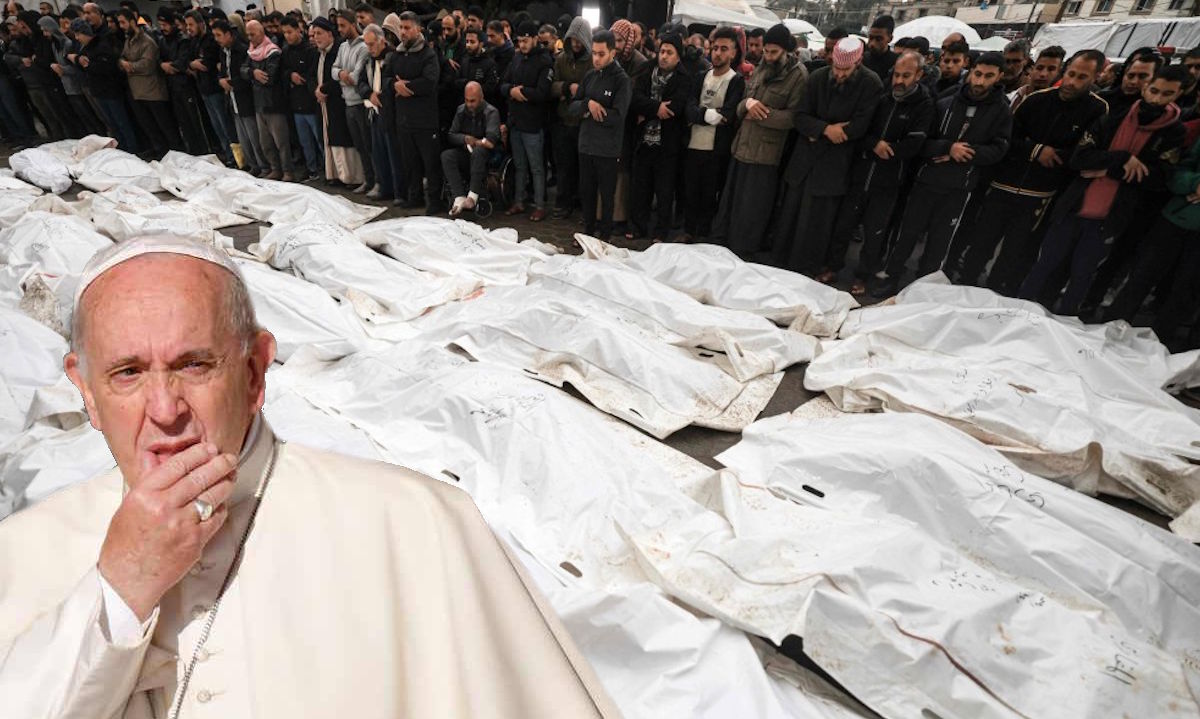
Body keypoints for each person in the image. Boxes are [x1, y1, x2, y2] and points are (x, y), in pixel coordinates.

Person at [0, 236, 619, 718]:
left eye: (194, 365)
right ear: (83, 389)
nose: (165, 411)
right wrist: (122, 587)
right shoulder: (23, 551)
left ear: (254, 372)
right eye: (128, 373)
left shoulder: (417, 525)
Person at [1019, 65, 1186, 315]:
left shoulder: (1173, 133)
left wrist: (1108, 169)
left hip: (1111, 216)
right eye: (1154, 91)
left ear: (1178, 94)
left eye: (1167, 94)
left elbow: (1159, 179)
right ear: (1146, 87)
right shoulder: (1114, 115)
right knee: (1045, 264)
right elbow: (1080, 158)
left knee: (1082, 274)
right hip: (1076, 205)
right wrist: (1122, 159)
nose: (1157, 98)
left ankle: (1066, 320)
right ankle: (1019, 307)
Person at [954, 50, 1107, 294]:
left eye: (1081, 77)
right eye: (1071, 74)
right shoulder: (1037, 100)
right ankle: (964, 287)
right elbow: (1008, 138)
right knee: (982, 241)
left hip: (1040, 193)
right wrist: (1036, 150)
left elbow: (1084, 153)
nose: (1072, 82)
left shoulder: (1097, 109)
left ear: (1095, 77)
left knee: (1014, 251)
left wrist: (1059, 157)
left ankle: (996, 294)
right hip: (1004, 183)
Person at [870, 51, 1012, 296]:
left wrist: (967, 153)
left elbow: (999, 149)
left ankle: (924, 287)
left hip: (959, 186)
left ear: (999, 76)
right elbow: (922, 140)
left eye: (988, 76)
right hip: (927, 179)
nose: (980, 82)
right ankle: (890, 277)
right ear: (971, 70)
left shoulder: (1001, 110)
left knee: (939, 240)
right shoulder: (946, 101)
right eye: (978, 74)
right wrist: (948, 148)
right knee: (908, 232)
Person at [771, 36, 880, 279]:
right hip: (804, 162)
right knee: (791, 217)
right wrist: (826, 130)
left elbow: (860, 126)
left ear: (858, 62)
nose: (840, 74)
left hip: (834, 166)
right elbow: (800, 117)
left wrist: (818, 131)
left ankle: (808, 269)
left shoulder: (870, 84)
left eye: (846, 70)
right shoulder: (818, 77)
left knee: (818, 223)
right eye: (836, 68)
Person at [832, 50, 933, 296]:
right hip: (861, 173)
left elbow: (915, 144)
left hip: (889, 181)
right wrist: (874, 144)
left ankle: (863, 276)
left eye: (906, 75)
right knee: (843, 225)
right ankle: (833, 267)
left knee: (875, 233)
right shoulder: (882, 98)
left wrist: (891, 149)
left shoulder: (924, 105)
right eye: (896, 75)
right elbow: (861, 130)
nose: (899, 80)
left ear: (918, 75)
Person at [710, 23, 806, 258]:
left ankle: (743, 252)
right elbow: (745, 101)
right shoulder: (762, 67)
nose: (768, 56)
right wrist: (748, 105)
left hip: (766, 154)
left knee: (752, 208)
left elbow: (794, 118)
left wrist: (762, 114)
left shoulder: (798, 76)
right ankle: (722, 246)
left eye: (774, 52)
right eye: (766, 51)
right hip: (742, 146)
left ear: (786, 51)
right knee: (731, 203)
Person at [1101, 134, 1200, 345]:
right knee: (1143, 275)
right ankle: (1108, 330)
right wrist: (1195, 183)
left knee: (1186, 290)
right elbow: (1178, 172)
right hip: (1176, 217)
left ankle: (1161, 345)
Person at [682, 26, 744, 242]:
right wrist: (708, 115)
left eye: (724, 49)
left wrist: (700, 115)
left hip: (716, 150)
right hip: (693, 145)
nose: (718, 53)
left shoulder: (736, 81)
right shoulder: (701, 76)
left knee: (709, 195)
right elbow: (688, 108)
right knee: (690, 192)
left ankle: (704, 236)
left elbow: (727, 115)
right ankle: (688, 231)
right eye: (715, 48)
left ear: (733, 53)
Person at [570, 27, 631, 240]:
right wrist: (589, 104)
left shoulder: (621, 80)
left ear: (613, 52)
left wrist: (595, 113)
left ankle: (604, 237)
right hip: (586, 145)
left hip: (607, 149)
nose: (596, 58)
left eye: (601, 54)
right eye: (594, 53)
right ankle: (587, 234)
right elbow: (573, 107)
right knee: (586, 193)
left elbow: (618, 115)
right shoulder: (589, 76)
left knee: (606, 196)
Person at [628, 33, 689, 241]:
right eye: (662, 51)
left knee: (664, 191)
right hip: (644, 140)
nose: (664, 56)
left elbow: (676, 107)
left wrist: (649, 109)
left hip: (667, 143)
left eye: (669, 53)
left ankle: (661, 232)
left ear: (678, 57)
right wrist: (656, 107)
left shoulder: (683, 78)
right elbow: (635, 99)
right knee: (641, 188)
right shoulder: (646, 71)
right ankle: (638, 227)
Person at [389, 10, 442, 211]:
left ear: (418, 28)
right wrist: (395, 86)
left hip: (425, 119)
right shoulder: (397, 54)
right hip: (404, 119)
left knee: (430, 163)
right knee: (410, 163)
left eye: (407, 28)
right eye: (401, 28)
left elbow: (429, 82)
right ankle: (415, 197)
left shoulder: (428, 54)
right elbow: (387, 77)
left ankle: (434, 201)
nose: (403, 32)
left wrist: (406, 87)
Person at [500, 20, 553, 221]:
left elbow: (542, 93)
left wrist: (520, 91)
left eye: (525, 40)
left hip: (533, 123)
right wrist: (512, 91)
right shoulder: (516, 59)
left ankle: (539, 205)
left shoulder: (544, 61)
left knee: (537, 167)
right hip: (516, 122)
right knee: (520, 165)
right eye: (519, 41)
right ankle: (519, 201)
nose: (522, 45)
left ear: (535, 39)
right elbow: (502, 84)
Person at [117, 8, 178, 158]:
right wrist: (124, 64)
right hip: (137, 92)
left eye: (123, 22)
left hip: (153, 92)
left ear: (133, 21)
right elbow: (121, 59)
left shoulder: (147, 41)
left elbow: (147, 65)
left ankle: (176, 153)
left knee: (165, 127)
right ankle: (160, 153)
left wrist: (130, 66)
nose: (121, 26)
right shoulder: (128, 41)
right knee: (149, 127)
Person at [71, 17, 139, 151]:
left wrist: (87, 65)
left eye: (78, 34)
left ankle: (132, 148)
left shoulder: (101, 44)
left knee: (122, 122)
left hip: (111, 90)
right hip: (98, 91)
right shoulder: (85, 48)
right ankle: (121, 147)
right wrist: (79, 60)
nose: (77, 38)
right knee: (112, 123)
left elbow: (107, 67)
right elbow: (81, 63)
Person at [312, 16, 363, 187]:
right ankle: (336, 174)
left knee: (344, 139)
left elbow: (341, 75)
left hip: (339, 101)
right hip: (325, 103)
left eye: (319, 33)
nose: (316, 37)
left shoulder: (336, 51)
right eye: (314, 34)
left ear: (329, 34)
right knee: (331, 138)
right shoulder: (320, 54)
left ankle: (351, 177)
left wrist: (324, 89)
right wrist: (317, 89)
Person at [549, 16, 591, 219]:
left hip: (584, 122)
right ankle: (562, 202)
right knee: (564, 166)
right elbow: (552, 86)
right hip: (564, 120)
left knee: (583, 168)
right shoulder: (561, 59)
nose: (575, 43)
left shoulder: (592, 61)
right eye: (572, 39)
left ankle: (582, 203)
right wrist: (566, 87)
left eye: (579, 39)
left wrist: (580, 91)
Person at [7, 11, 73, 139]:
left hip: (53, 82)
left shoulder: (44, 39)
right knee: (52, 117)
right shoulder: (28, 40)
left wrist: (36, 59)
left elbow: (45, 60)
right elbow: (22, 54)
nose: (22, 30)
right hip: (41, 82)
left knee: (63, 116)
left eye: (24, 27)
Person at [358, 23, 403, 201]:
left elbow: (393, 82)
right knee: (378, 153)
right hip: (374, 112)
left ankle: (399, 191)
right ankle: (384, 187)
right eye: (367, 45)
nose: (370, 49)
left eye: (372, 44)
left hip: (391, 112)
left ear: (382, 41)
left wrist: (383, 96)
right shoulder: (369, 60)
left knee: (394, 154)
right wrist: (369, 94)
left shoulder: (393, 57)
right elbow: (360, 82)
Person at [213, 20, 265, 176]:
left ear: (229, 34)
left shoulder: (242, 50)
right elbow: (222, 71)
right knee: (243, 139)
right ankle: (252, 164)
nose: (217, 39)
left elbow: (245, 76)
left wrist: (230, 82)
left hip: (245, 99)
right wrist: (221, 79)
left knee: (254, 137)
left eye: (219, 35)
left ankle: (263, 165)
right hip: (232, 101)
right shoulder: (223, 52)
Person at [243, 19, 292, 181]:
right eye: (248, 34)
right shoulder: (251, 52)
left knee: (281, 142)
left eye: (253, 34)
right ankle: (275, 169)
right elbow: (243, 70)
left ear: (262, 33)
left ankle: (288, 171)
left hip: (274, 104)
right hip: (259, 104)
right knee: (266, 143)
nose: (250, 38)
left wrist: (252, 74)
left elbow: (269, 77)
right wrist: (254, 73)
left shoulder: (273, 52)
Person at [442, 80, 499, 215]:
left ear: (481, 97)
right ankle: (459, 196)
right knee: (447, 155)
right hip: (466, 152)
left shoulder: (491, 112)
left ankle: (472, 197)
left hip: (486, 155)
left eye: (472, 101)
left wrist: (475, 142)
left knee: (479, 152)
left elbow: (490, 141)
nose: (469, 104)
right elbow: (451, 135)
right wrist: (465, 138)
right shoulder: (461, 110)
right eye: (467, 100)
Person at [157, 8, 209, 156]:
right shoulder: (162, 41)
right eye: (160, 24)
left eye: (165, 24)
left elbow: (182, 62)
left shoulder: (183, 40)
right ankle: (193, 152)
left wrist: (172, 66)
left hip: (186, 86)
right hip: (173, 87)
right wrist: (163, 65)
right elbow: (159, 61)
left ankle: (204, 150)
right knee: (184, 122)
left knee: (195, 120)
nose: (163, 28)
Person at [186, 10, 235, 166]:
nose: (189, 28)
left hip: (215, 88)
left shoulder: (209, 41)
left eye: (191, 24)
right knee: (216, 125)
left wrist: (196, 64)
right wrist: (192, 64)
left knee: (224, 124)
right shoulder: (194, 41)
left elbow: (207, 64)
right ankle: (226, 153)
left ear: (201, 24)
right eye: (187, 25)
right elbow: (187, 60)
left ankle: (234, 156)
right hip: (203, 88)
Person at [42, 14, 103, 137]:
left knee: (96, 116)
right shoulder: (55, 44)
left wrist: (63, 69)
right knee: (85, 117)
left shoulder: (68, 43)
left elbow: (75, 66)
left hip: (78, 84)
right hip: (69, 86)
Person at [333, 9, 372, 193]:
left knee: (367, 145)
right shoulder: (342, 47)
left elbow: (356, 78)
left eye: (343, 25)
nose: (339, 29)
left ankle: (374, 180)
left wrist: (343, 74)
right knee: (359, 146)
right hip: (347, 102)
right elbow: (334, 70)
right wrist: (342, 74)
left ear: (352, 24)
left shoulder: (363, 47)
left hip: (360, 104)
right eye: (338, 25)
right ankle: (367, 179)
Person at [280, 14, 322, 180]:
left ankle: (326, 167)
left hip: (310, 103)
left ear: (299, 30)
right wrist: (290, 75)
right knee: (305, 142)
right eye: (284, 33)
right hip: (295, 104)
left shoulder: (310, 51)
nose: (287, 36)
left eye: (290, 32)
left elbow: (313, 75)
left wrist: (301, 78)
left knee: (318, 139)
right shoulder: (285, 51)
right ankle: (311, 168)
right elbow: (282, 72)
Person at [1099, 48, 1159, 119]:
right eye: (1130, 76)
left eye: (1142, 77)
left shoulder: (1156, 112)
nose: (1134, 82)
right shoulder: (1101, 100)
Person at [1008, 45, 1064, 112]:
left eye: (1051, 69)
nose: (1043, 74)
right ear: (1032, 69)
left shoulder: (1056, 109)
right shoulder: (1011, 97)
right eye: (1039, 68)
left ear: (1058, 73)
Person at [436, 12, 466, 134]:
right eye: (443, 29)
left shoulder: (464, 47)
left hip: (456, 98)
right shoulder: (441, 45)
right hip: (442, 98)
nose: (446, 32)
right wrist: (446, 61)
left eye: (449, 29)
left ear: (458, 28)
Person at [456, 26, 499, 107]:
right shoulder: (464, 60)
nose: (468, 45)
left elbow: (491, 88)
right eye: (467, 41)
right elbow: (457, 81)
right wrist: (466, 82)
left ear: (481, 44)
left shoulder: (489, 63)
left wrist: (474, 87)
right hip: (464, 107)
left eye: (472, 42)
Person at [864, 14, 896, 82]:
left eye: (878, 39)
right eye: (871, 38)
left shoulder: (896, 64)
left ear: (890, 39)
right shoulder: (861, 58)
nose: (872, 43)